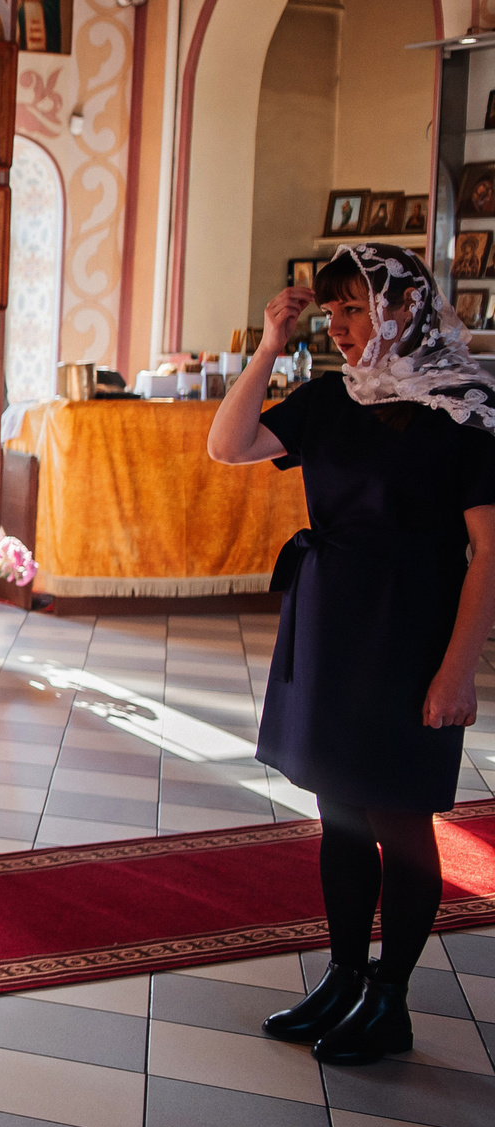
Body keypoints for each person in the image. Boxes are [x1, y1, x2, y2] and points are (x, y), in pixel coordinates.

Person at [208, 244, 495, 1064]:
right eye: (332, 313)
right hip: (329, 618)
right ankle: (343, 975)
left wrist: (457, 669)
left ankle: (391, 997)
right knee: (338, 814)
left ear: (404, 309)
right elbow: (229, 445)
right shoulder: (336, 395)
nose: (338, 328)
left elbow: (490, 551)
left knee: (400, 819)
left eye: (355, 310)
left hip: (411, 630)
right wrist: (269, 345)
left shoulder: (465, 407)